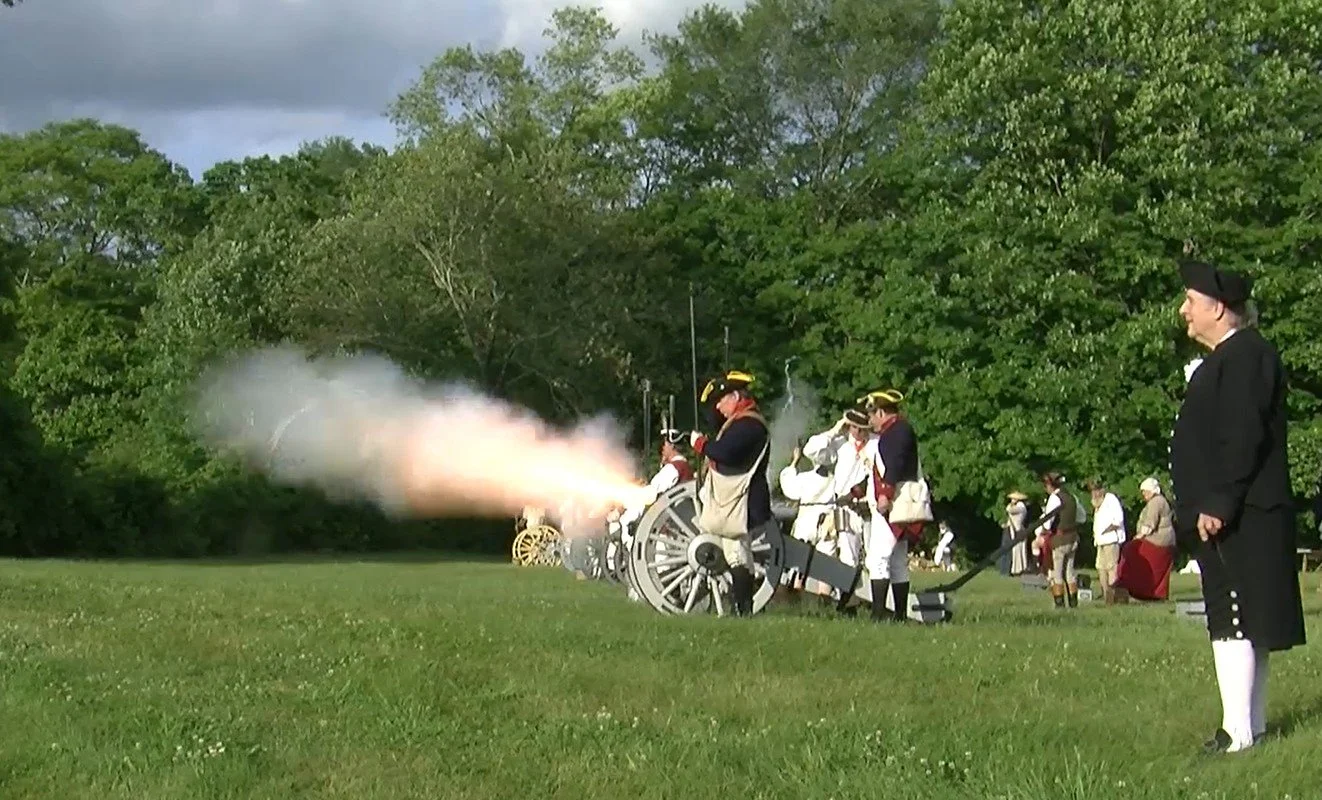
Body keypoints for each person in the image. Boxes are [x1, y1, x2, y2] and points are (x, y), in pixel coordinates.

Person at [1169, 259, 1305, 754]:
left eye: (1191, 301)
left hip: (1241, 512)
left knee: (1234, 618)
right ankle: (1251, 726)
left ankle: (1237, 733)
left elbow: (1242, 434)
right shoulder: (1236, 356)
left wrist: (1219, 501)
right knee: (1242, 619)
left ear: (1219, 308)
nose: (1183, 311)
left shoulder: (1245, 355)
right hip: (1237, 509)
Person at [689, 370, 772, 617]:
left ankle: (743, 610)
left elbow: (726, 453)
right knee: (734, 553)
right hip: (735, 501)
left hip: (745, 501)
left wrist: (702, 445)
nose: (719, 407)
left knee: (737, 554)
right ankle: (740, 609)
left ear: (735, 396)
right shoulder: (739, 423)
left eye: (722, 401)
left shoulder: (749, 424)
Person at [859, 389, 925, 622]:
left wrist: (885, 494)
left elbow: (894, 465)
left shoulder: (897, 432)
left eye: (871, 415)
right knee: (896, 561)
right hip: (895, 502)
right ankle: (898, 615)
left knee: (878, 559)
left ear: (880, 412)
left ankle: (879, 615)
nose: (869, 420)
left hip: (894, 502)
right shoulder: (897, 431)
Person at [802, 405, 877, 611]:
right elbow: (811, 450)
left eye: (860, 427)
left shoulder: (876, 445)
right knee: (847, 558)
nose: (856, 432)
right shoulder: (842, 446)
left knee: (874, 557)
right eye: (852, 426)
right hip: (845, 509)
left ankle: (877, 603)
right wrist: (834, 430)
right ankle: (849, 603)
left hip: (869, 508)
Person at [778, 443, 836, 596]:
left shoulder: (805, 478)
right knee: (827, 568)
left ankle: (797, 597)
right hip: (827, 526)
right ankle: (824, 601)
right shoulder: (835, 480)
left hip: (806, 524)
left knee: (799, 565)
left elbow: (789, 487)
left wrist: (794, 462)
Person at [1114, 477, 1177, 601]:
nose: (1143, 494)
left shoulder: (1156, 502)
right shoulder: (1160, 501)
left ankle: (1133, 586)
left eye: (1144, 491)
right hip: (1164, 541)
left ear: (1151, 490)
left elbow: (1150, 524)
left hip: (1157, 541)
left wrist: (1138, 538)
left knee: (1131, 550)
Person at [1033, 471, 1083, 609]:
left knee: (1057, 574)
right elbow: (1082, 517)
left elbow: (1047, 524)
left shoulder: (1054, 499)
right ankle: (1073, 604)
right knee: (1070, 573)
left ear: (1050, 485)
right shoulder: (1072, 497)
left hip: (1060, 540)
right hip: (1073, 538)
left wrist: (1040, 532)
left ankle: (1059, 605)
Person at [1089, 480, 1129, 605]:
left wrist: (1106, 531)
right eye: (1092, 491)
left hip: (1111, 539)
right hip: (1100, 541)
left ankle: (1112, 595)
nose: (1094, 494)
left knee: (1111, 567)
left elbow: (1118, 520)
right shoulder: (1097, 504)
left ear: (1101, 490)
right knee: (1100, 567)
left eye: (1096, 490)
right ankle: (1105, 593)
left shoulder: (1111, 500)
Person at [1006, 492, 1030, 575]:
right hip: (1016, 529)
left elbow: (1009, 509)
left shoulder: (1020, 506)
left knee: (1019, 549)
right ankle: (1017, 568)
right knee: (1017, 549)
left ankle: (1019, 569)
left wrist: (1011, 504)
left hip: (1018, 529)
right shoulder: (1019, 506)